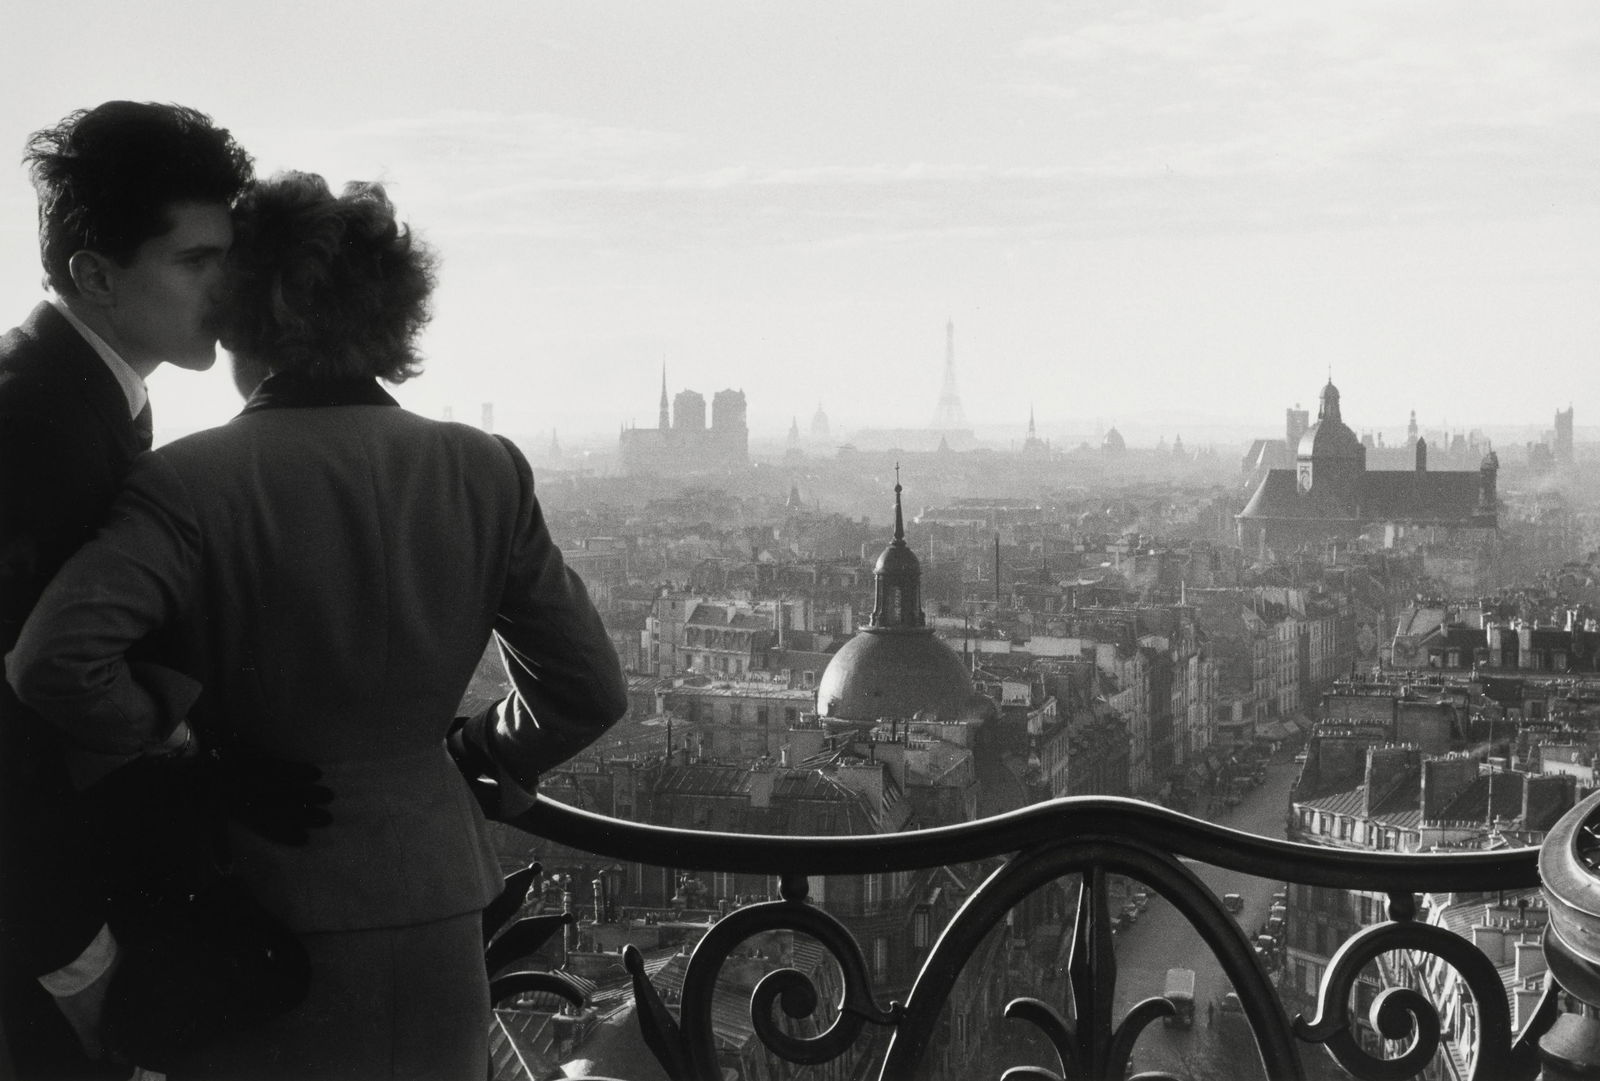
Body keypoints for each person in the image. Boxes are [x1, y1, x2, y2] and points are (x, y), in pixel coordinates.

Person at [8, 171, 628, 1080]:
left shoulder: (193, 482)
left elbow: (53, 662)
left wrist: (174, 739)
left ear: (242, 314)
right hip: (437, 895)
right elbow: (588, 690)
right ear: (395, 313)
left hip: (262, 910)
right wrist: (471, 753)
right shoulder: (482, 469)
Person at [0, 101, 252, 1079]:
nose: (228, 289)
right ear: (94, 274)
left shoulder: (71, 397)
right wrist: (78, 960)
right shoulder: (38, 427)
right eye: (197, 261)